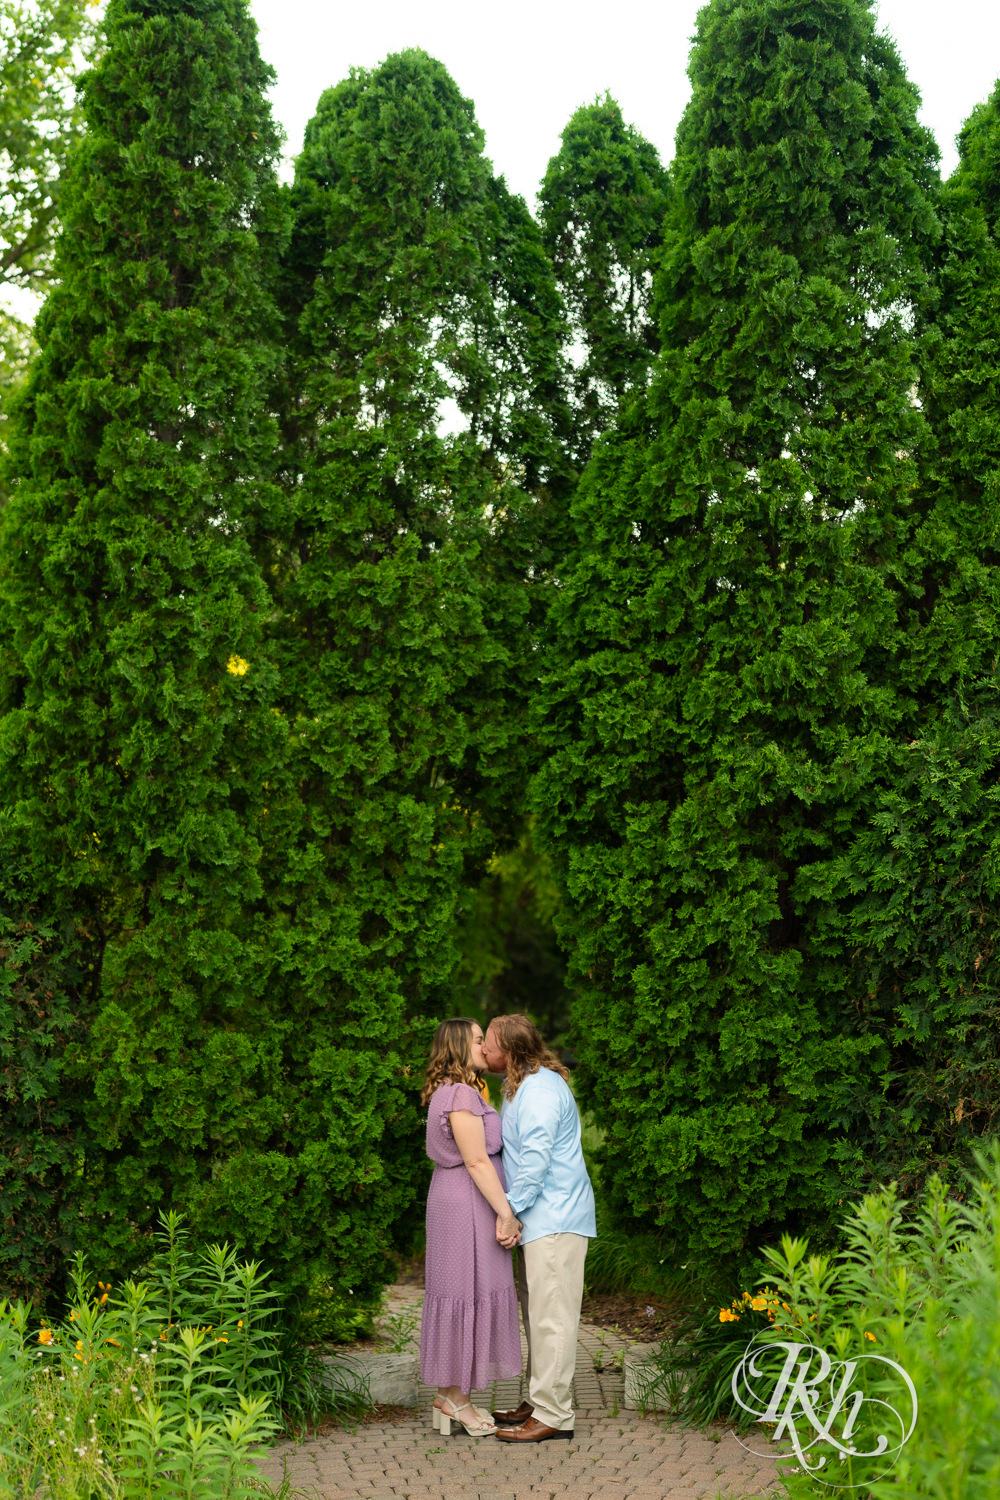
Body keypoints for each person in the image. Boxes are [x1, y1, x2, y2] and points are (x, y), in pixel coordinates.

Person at [481, 1014, 597, 1444]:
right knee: (539, 1318)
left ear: (509, 1050)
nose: (484, 1052)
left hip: (556, 1220)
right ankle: (538, 1399)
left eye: (488, 1044)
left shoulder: (541, 1091)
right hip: (541, 1220)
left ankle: (554, 1414)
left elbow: (534, 1163)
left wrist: (509, 1212)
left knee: (553, 1320)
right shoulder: (520, 1085)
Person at [419, 1017, 523, 1437]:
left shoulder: (456, 1089)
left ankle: (451, 1394)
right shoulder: (460, 1092)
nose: (485, 1046)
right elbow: (477, 1160)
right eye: (479, 1040)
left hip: (460, 1198)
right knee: (466, 1290)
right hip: (467, 1202)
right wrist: (506, 1212)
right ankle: (454, 1398)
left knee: (465, 1290)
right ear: (460, 1046)